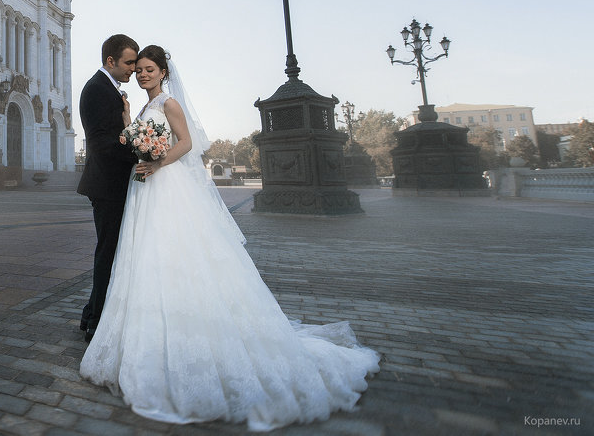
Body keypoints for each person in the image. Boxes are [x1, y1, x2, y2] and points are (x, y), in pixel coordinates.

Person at [80, 45, 380, 430]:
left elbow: (187, 144)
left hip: (165, 184)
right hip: (145, 187)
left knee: (176, 252)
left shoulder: (170, 104)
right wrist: (130, 126)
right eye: (138, 69)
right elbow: (133, 137)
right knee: (145, 257)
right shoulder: (140, 107)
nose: (142, 75)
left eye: (149, 69)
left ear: (163, 72)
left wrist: (158, 160)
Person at [76, 34, 139, 342]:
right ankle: (96, 322)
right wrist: (141, 153)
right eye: (129, 63)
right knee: (108, 253)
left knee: (109, 251)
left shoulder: (108, 89)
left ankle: (91, 313)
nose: (134, 70)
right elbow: (104, 144)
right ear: (110, 61)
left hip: (110, 182)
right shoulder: (98, 89)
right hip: (107, 184)